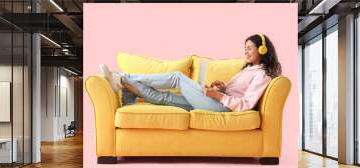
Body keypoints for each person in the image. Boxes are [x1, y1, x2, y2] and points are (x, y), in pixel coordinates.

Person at [100, 34, 282, 112]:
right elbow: (237, 93)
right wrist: (222, 87)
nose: (246, 52)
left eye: (249, 48)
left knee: (177, 78)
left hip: (222, 108)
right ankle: (126, 89)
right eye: (245, 48)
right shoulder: (249, 69)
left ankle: (122, 77)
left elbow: (247, 104)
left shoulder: (263, 74)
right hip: (218, 102)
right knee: (167, 99)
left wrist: (217, 95)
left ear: (263, 49)